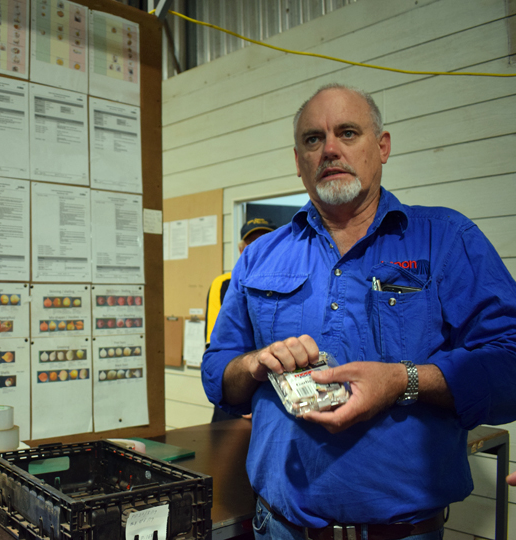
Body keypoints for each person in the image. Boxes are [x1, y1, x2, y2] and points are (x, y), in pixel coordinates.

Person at [202, 83, 516, 539]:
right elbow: (217, 371)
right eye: (313, 139)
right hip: (281, 528)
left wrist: (402, 381)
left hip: (404, 531)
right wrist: (253, 364)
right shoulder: (259, 257)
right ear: (298, 161)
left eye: (348, 133)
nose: (330, 149)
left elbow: (509, 362)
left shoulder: (447, 239)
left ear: (382, 146)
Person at [206, 218, 276, 422]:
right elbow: (215, 346)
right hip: (239, 388)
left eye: (265, 241)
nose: (259, 248)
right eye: (252, 243)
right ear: (241, 249)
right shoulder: (225, 284)